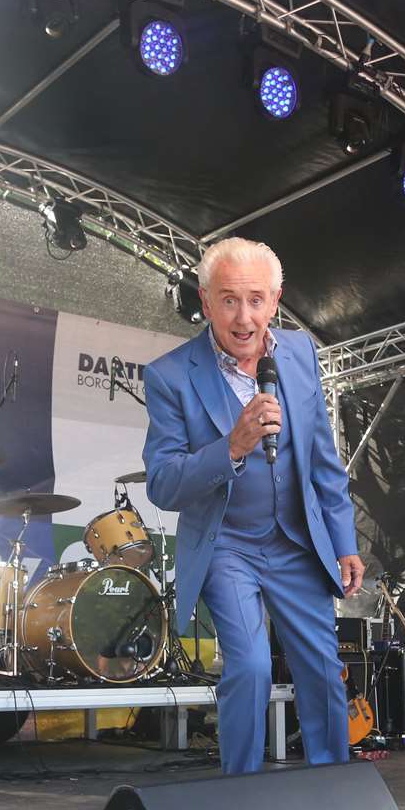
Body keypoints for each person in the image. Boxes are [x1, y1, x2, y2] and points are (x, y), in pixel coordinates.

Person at [142, 237, 364, 775]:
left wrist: (344, 540)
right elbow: (163, 485)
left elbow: (320, 457)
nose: (244, 318)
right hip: (227, 546)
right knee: (250, 665)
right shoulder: (170, 375)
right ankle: (239, 789)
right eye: (229, 300)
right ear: (205, 299)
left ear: (277, 299)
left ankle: (333, 784)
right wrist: (232, 447)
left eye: (257, 300)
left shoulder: (300, 351)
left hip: (295, 540)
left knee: (321, 666)